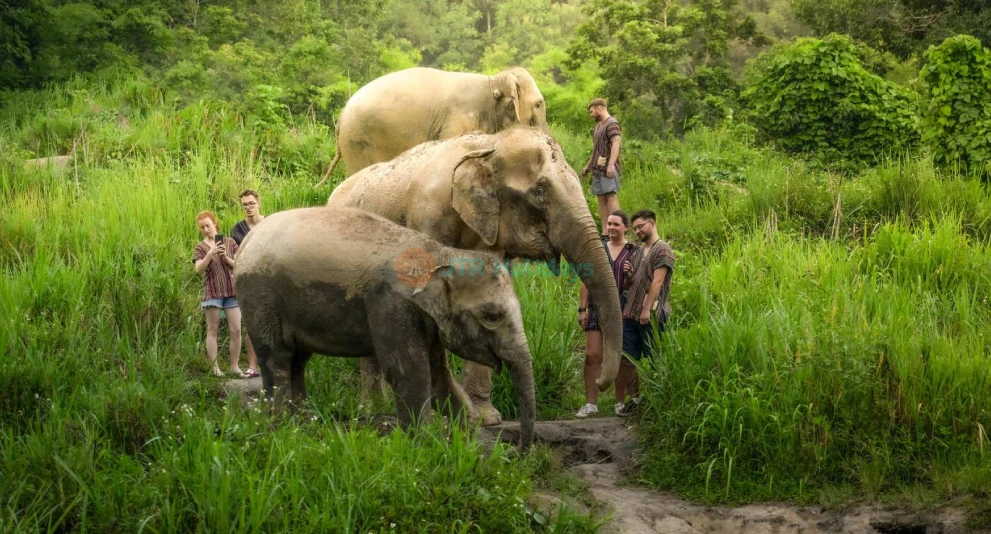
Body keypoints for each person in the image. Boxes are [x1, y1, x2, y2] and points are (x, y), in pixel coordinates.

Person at [575, 211, 638, 418]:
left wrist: (629, 277)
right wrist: (582, 309)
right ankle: (591, 404)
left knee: (618, 357)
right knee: (592, 355)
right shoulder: (598, 250)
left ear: (625, 228)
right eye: (609, 224)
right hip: (596, 307)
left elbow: (635, 284)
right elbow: (586, 281)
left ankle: (620, 403)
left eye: (616, 224)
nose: (611, 228)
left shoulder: (633, 251)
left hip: (622, 310)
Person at [618, 209, 675, 416]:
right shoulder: (639, 251)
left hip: (651, 313)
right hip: (630, 313)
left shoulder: (663, 250)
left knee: (654, 358)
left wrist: (645, 309)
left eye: (640, 226)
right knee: (627, 358)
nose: (637, 231)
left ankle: (661, 401)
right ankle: (636, 400)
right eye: (634, 229)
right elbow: (630, 283)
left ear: (652, 223)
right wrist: (629, 276)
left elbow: (658, 281)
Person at [192, 210, 245, 378]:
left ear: (215, 223)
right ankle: (215, 367)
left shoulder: (229, 242)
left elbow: (239, 264)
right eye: (202, 228)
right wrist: (210, 253)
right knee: (212, 329)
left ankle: (234, 366)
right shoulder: (199, 247)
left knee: (236, 329)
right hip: (212, 291)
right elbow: (198, 269)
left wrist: (225, 257)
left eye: (208, 225)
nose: (206, 230)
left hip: (232, 291)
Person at [230, 189, 264, 378]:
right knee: (252, 323)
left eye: (251, 203)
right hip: (248, 280)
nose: (249, 207)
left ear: (259, 203)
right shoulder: (238, 230)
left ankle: (275, 365)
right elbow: (237, 257)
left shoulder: (270, 223)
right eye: (245, 205)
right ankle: (252, 366)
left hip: (272, 278)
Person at [581, 98, 623, 233]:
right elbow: (596, 149)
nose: (591, 114)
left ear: (599, 108)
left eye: (591, 111)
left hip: (608, 168)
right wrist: (588, 165)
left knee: (610, 196)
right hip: (597, 169)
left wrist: (611, 165)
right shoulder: (599, 126)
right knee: (601, 198)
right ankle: (606, 232)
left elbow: (616, 143)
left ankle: (617, 228)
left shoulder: (612, 124)